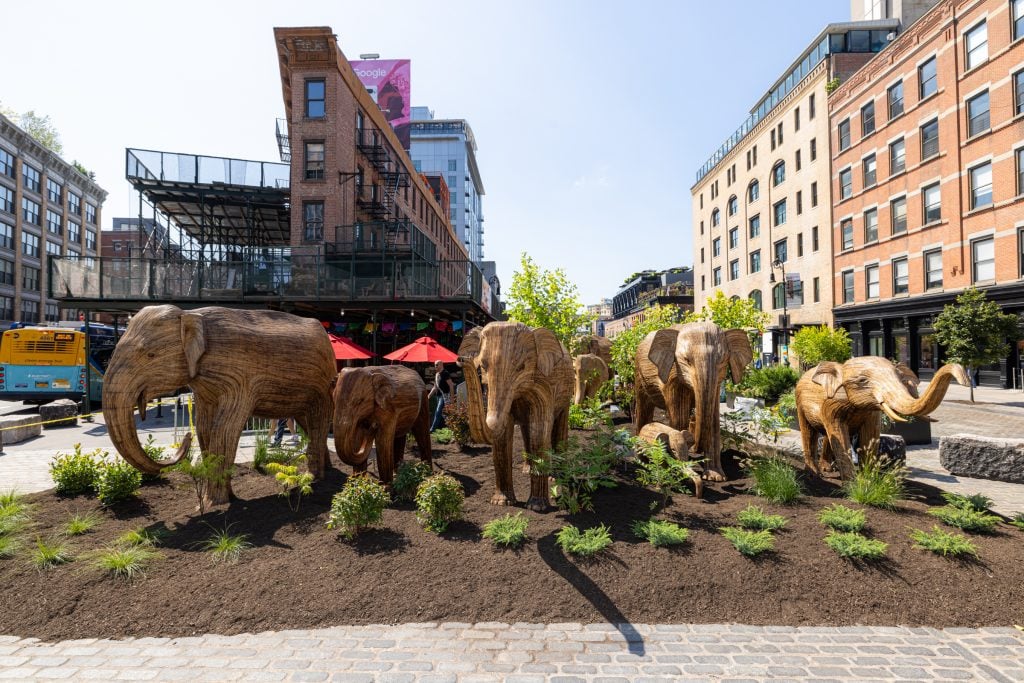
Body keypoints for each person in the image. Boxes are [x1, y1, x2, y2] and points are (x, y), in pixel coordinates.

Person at [428, 360, 455, 432]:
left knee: (438, 411)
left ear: (441, 365)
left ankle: (432, 429)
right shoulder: (437, 374)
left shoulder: (445, 373)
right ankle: (448, 428)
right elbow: (435, 387)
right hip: (439, 396)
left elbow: (451, 386)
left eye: (437, 365)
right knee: (443, 413)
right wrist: (429, 395)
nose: (435, 366)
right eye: (435, 365)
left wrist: (452, 398)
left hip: (445, 396)